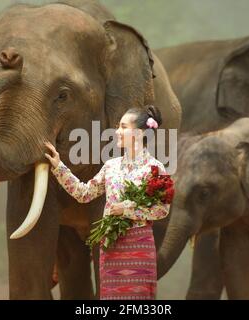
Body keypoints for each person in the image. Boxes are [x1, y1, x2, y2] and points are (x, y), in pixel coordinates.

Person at [44, 105, 170, 300]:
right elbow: (83, 193)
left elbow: (161, 210)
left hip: (139, 247)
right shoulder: (111, 166)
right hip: (111, 246)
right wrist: (59, 167)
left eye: (123, 127)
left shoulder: (154, 168)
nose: (117, 131)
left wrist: (127, 209)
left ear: (138, 133)